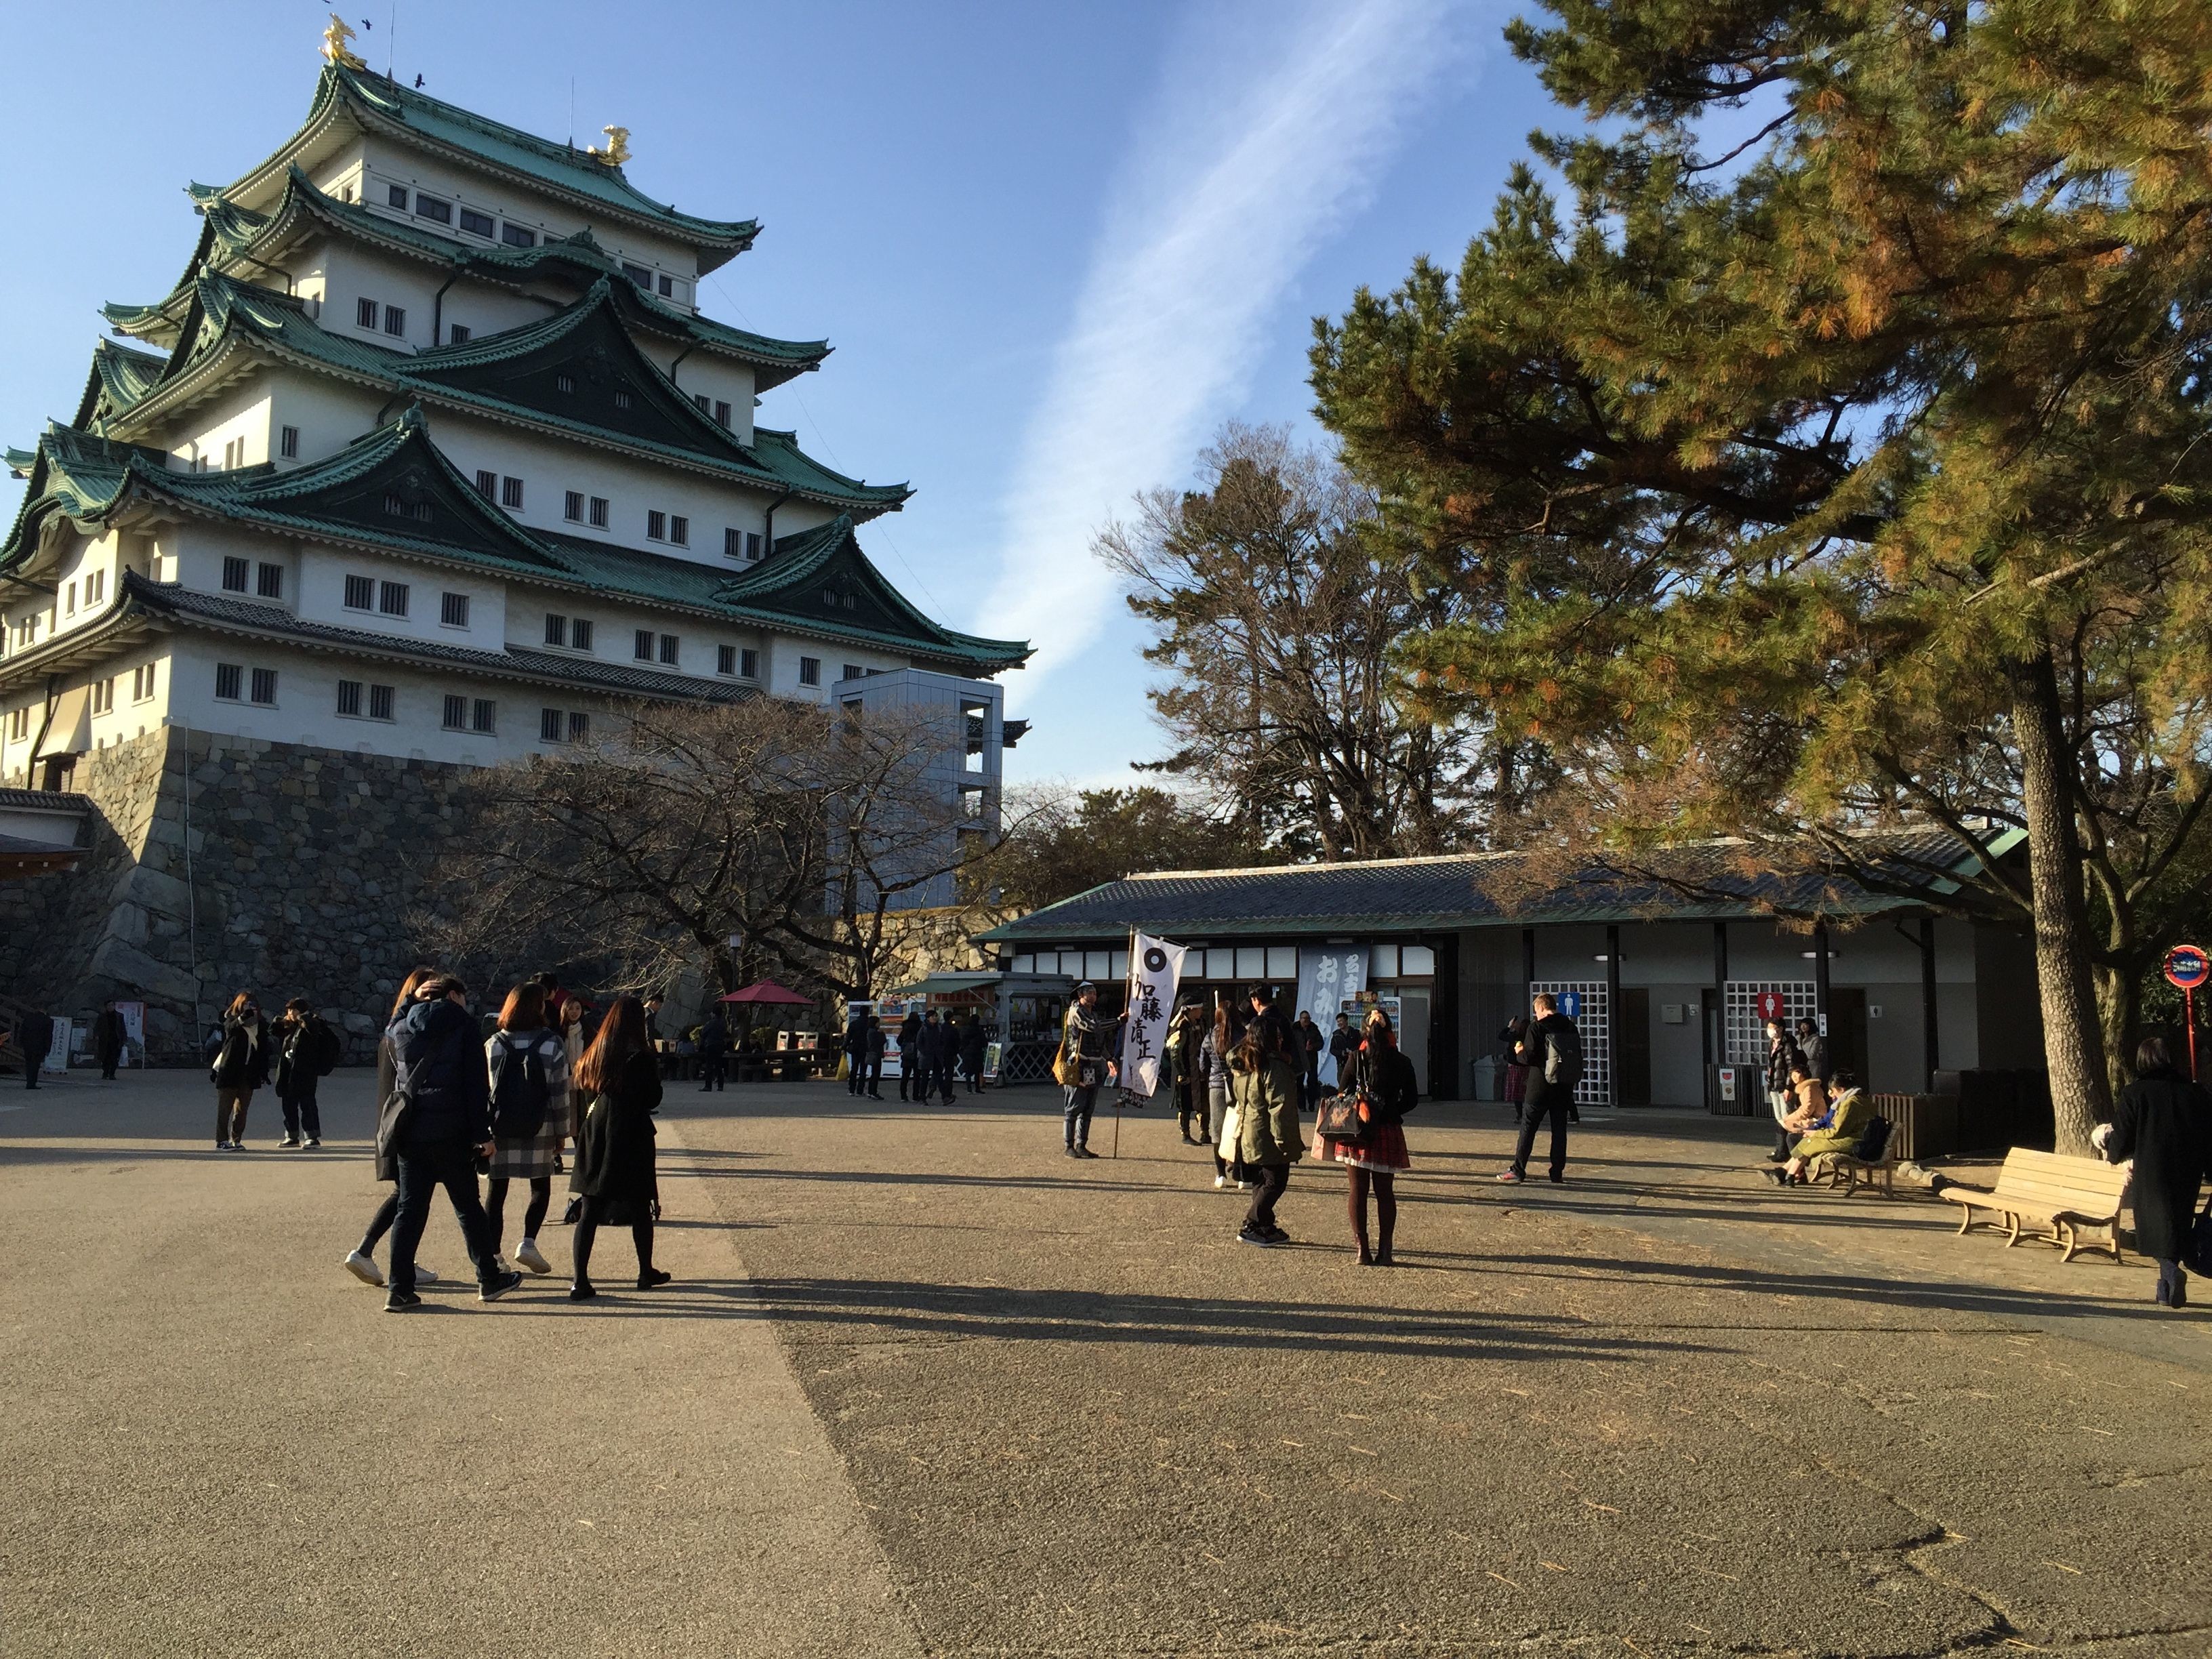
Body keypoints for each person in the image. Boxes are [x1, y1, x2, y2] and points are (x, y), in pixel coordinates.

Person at [382, 975, 519, 1311]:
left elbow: (391, 1027)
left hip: (411, 1132)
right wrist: (482, 1136)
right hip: (452, 1132)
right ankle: (488, 1277)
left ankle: (399, 1289)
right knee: (468, 1207)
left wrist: (410, 1000)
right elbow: (475, 1086)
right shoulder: (464, 1026)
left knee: (409, 1211)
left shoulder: (402, 1029)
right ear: (455, 995)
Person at [343, 968, 443, 1288]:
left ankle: (396, 1258)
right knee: (410, 1196)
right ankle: (366, 1250)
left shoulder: (391, 1032)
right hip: (410, 1124)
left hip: (391, 1121)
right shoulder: (410, 1034)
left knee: (409, 1196)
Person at [2095, 1036, 2212, 1307]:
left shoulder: (2135, 1093)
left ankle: (2171, 1273)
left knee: (2154, 1229)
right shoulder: (2196, 1093)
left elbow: (2122, 1136)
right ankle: (2165, 1291)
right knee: (2177, 1224)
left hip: (2152, 1169)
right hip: (2188, 1170)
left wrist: (2113, 1153)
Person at [568, 994, 668, 1300]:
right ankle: (644, 1271)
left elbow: (583, 1086)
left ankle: (580, 1280)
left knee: (590, 1207)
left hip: (597, 1130)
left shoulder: (596, 1051)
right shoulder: (641, 1055)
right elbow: (652, 1099)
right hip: (631, 1131)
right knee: (639, 1205)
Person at [485, 983, 571, 1277]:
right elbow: (560, 1092)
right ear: (539, 1008)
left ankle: (494, 1254)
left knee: (497, 1191)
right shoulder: (551, 1044)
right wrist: (563, 1132)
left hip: (499, 1128)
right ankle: (528, 1242)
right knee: (540, 1187)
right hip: (540, 1125)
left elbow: (483, 1090)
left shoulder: (494, 1043)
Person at [1333, 1008, 1418, 1265]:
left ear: (1365, 1032)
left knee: (1357, 1191)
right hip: (1388, 1129)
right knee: (1385, 1192)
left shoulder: (1356, 1057)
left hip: (1358, 1131)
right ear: (1390, 1031)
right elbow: (1412, 1100)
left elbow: (1341, 1091)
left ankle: (1362, 1250)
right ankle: (1386, 1251)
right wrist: (1391, 1111)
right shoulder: (1403, 1061)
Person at [1230, 1008, 1303, 1245]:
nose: (1282, 1040)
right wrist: (1286, 1142)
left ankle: (1265, 1225)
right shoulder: (1274, 1067)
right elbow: (1280, 1108)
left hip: (1249, 1130)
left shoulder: (1243, 1065)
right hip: (1268, 1133)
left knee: (1262, 1180)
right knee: (1275, 1181)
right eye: (1279, 1036)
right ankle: (1253, 1222)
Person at [1498, 992, 1578, 1185]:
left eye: (1536, 1011)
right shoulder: (1570, 1026)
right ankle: (1556, 1172)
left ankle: (1518, 1170)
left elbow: (1528, 1058)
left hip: (1539, 1086)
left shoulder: (1537, 1027)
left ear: (1542, 1008)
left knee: (1528, 1127)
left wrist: (1519, 1051)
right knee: (1559, 1130)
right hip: (1563, 1085)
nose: (1536, 1015)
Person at [1769, 1065, 1872, 1187]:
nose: (1832, 1094)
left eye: (1833, 1091)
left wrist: (1815, 1133)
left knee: (1811, 1142)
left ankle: (1788, 1175)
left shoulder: (1848, 1104)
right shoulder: (1859, 1099)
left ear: (1842, 1089)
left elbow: (1837, 1131)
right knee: (1808, 1141)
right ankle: (1787, 1174)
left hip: (1852, 1142)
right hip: (1856, 1139)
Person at [1057, 983, 1117, 1158]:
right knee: (1073, 1107)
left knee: (1088, 1108)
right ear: (1080, 994)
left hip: (1093, 1065)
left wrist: (1109, 1058)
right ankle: (1069, 1146)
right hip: (1078, 1064)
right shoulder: (1076, 1012)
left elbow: (1099, 1040)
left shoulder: (1093, 1014)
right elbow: (1093, 1027)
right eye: (1089, 992)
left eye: (1095, 993)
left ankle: (1082, 1144)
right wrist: (1118, 1021)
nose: (1093, 995)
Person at [272, 997, 337, 1147]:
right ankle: (292, 1136)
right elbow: (273, 1030)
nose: (291, 1013)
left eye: (293, 1010)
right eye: (289, 1010)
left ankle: (312, 1137)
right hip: (288, 1070)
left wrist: (303, 1018)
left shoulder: (312, 1022)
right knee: (288, 1105)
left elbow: (313, 1029)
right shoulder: (290, 1025)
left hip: (305, 1072)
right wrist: (283, 1020)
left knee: (307, 1105)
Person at [210, 992, 272, 1150]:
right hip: (230, 1070)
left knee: (242, 1110)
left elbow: (264, 1051)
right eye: (246, 1004)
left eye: (252, 1005)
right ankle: (221, 1140)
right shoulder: (230, 1018)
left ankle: (236, 1139)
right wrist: (241, 1018)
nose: (249, 1007)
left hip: (249, 1072)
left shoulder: (261, 1025)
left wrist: (264, 1073)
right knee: (225, 1108)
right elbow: (229, 1030)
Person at [1202, 1006, 1244, 1187]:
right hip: (1239, 1084)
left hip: (1217, 1086)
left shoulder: (1210, 1037)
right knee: (1240, 1129)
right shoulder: (1242, 1036)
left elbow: (1202, 1065)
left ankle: (1220, 1175)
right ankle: (1241, 1175)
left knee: (1217, 1131)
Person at [1764, 1018, 1803, 1161]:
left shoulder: (1788, 1045)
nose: (1769, 1031)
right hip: (1774, 1085)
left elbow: (1791, 1068)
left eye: (1772, 1027)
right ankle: (1780, 1150)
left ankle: (1790, 1150)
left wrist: (1789, 1087)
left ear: (1780, 1028)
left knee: (1788, 1117)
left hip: (1784, 1086)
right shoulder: (1772, 1044)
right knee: (1779, 1118)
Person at [1498, 1015, 1531, 1124]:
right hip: (1527, 1067)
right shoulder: (1529, 1038)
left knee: (1516, 1092)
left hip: (1515, 1066)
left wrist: (1510, 1026)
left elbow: (1501, 1036)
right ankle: (1528, 1114)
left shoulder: (1515, 1036)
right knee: (1527, 1091)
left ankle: (1520, 1115)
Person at [924, 1009, 960, 1107]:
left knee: (937, 1073)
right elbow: (957, 1042)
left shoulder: (940, 1028)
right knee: (948, 1074)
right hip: (949, 1054)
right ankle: (947, 1094)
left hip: (939, 1054)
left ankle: (932, 1086)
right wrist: (956, 1051)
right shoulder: (953, 1029)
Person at [1294, 1010, 1325, 1115]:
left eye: (1308, 1018)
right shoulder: (1295, 1028)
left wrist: (1313, 1047)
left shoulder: (1314, 1028)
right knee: (1299, 1082)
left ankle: (1311, 1105)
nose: (1307, 1021)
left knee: (1312, 1082)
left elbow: (1321, 1043)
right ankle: (1301, 1106)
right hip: (1299, 1059)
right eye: (1305, 1019)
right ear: (1300, 1019)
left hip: (1312, 1058)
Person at [18, 1002, 52, 1090]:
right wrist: (48, 1048)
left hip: (28, 1045)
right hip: (40, 1046)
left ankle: (29, 1082)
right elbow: (48, 1036)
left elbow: (22, 1031)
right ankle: (33, 1083)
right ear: (45, 1010)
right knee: (36, 1065)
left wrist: (21, 1042)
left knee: (28, 1064)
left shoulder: (28, 1018)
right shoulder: (48, 1020)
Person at [92, 1000, 127, 1080]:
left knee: (115, 1058)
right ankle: (105, 1072)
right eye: (108, 1005)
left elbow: (122, 1028)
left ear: (114, 1006)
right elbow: (97, 1027)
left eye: (112, 1005)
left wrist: (124, 1039)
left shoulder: (119, 1016)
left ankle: (112, 1073)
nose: (110, 1007)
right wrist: (96, 1035)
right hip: (105, 1040)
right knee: (105, 1057)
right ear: (106, 1007)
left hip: (116, 1039)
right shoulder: (102, 1016)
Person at [957, 1010, 988, 1096]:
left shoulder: (965, 1029)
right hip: (977, 1052)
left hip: (967, 1052)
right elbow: (984, 1042)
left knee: (968, 1071)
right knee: (977, 1071)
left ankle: (969, 1089)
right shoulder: (979, 1030)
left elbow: (962, 1041)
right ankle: (977, 1088)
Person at [1795, 1015, 1830, 1086]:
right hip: (1800, 1068)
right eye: (1802, 1025)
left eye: (1806, 1025)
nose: (1803, 1027)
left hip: (1812, 1068)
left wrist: (1800, 1054)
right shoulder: (1798, 1038)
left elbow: (1812, 1055)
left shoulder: (1815, 1038)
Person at [897, 1008, 924, 1101]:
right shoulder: (920, 1028)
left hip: (907, 1054)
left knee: (905, 1076)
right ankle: (916, 1096)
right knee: (917, 1077)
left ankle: (903, 1096)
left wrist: (905, 1046)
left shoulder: (906, 1028)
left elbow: (899, 1041)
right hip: (917, 1054)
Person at [844, 1008, 870, 1097]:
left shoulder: (853, 1024)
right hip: (865, 1048)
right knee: (863, 1070)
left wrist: (844, 1046)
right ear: (868, 1012)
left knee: (854, 1068)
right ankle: (860, 1090)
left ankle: (851, 1089)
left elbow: (848, 1037)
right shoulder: (869, 1024)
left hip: (855, 1048)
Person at [865, 1014, 890, 1101]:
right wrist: (883, 1034)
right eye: (878, 1022)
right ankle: (873, 1092)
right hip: (876, 1054)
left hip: (872, 1053)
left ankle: (870, 1091)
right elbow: (882, 1041)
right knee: (876, 1074)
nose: (879, 1024)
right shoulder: (875, 1033)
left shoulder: (870, 1031)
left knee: (874, 1074)